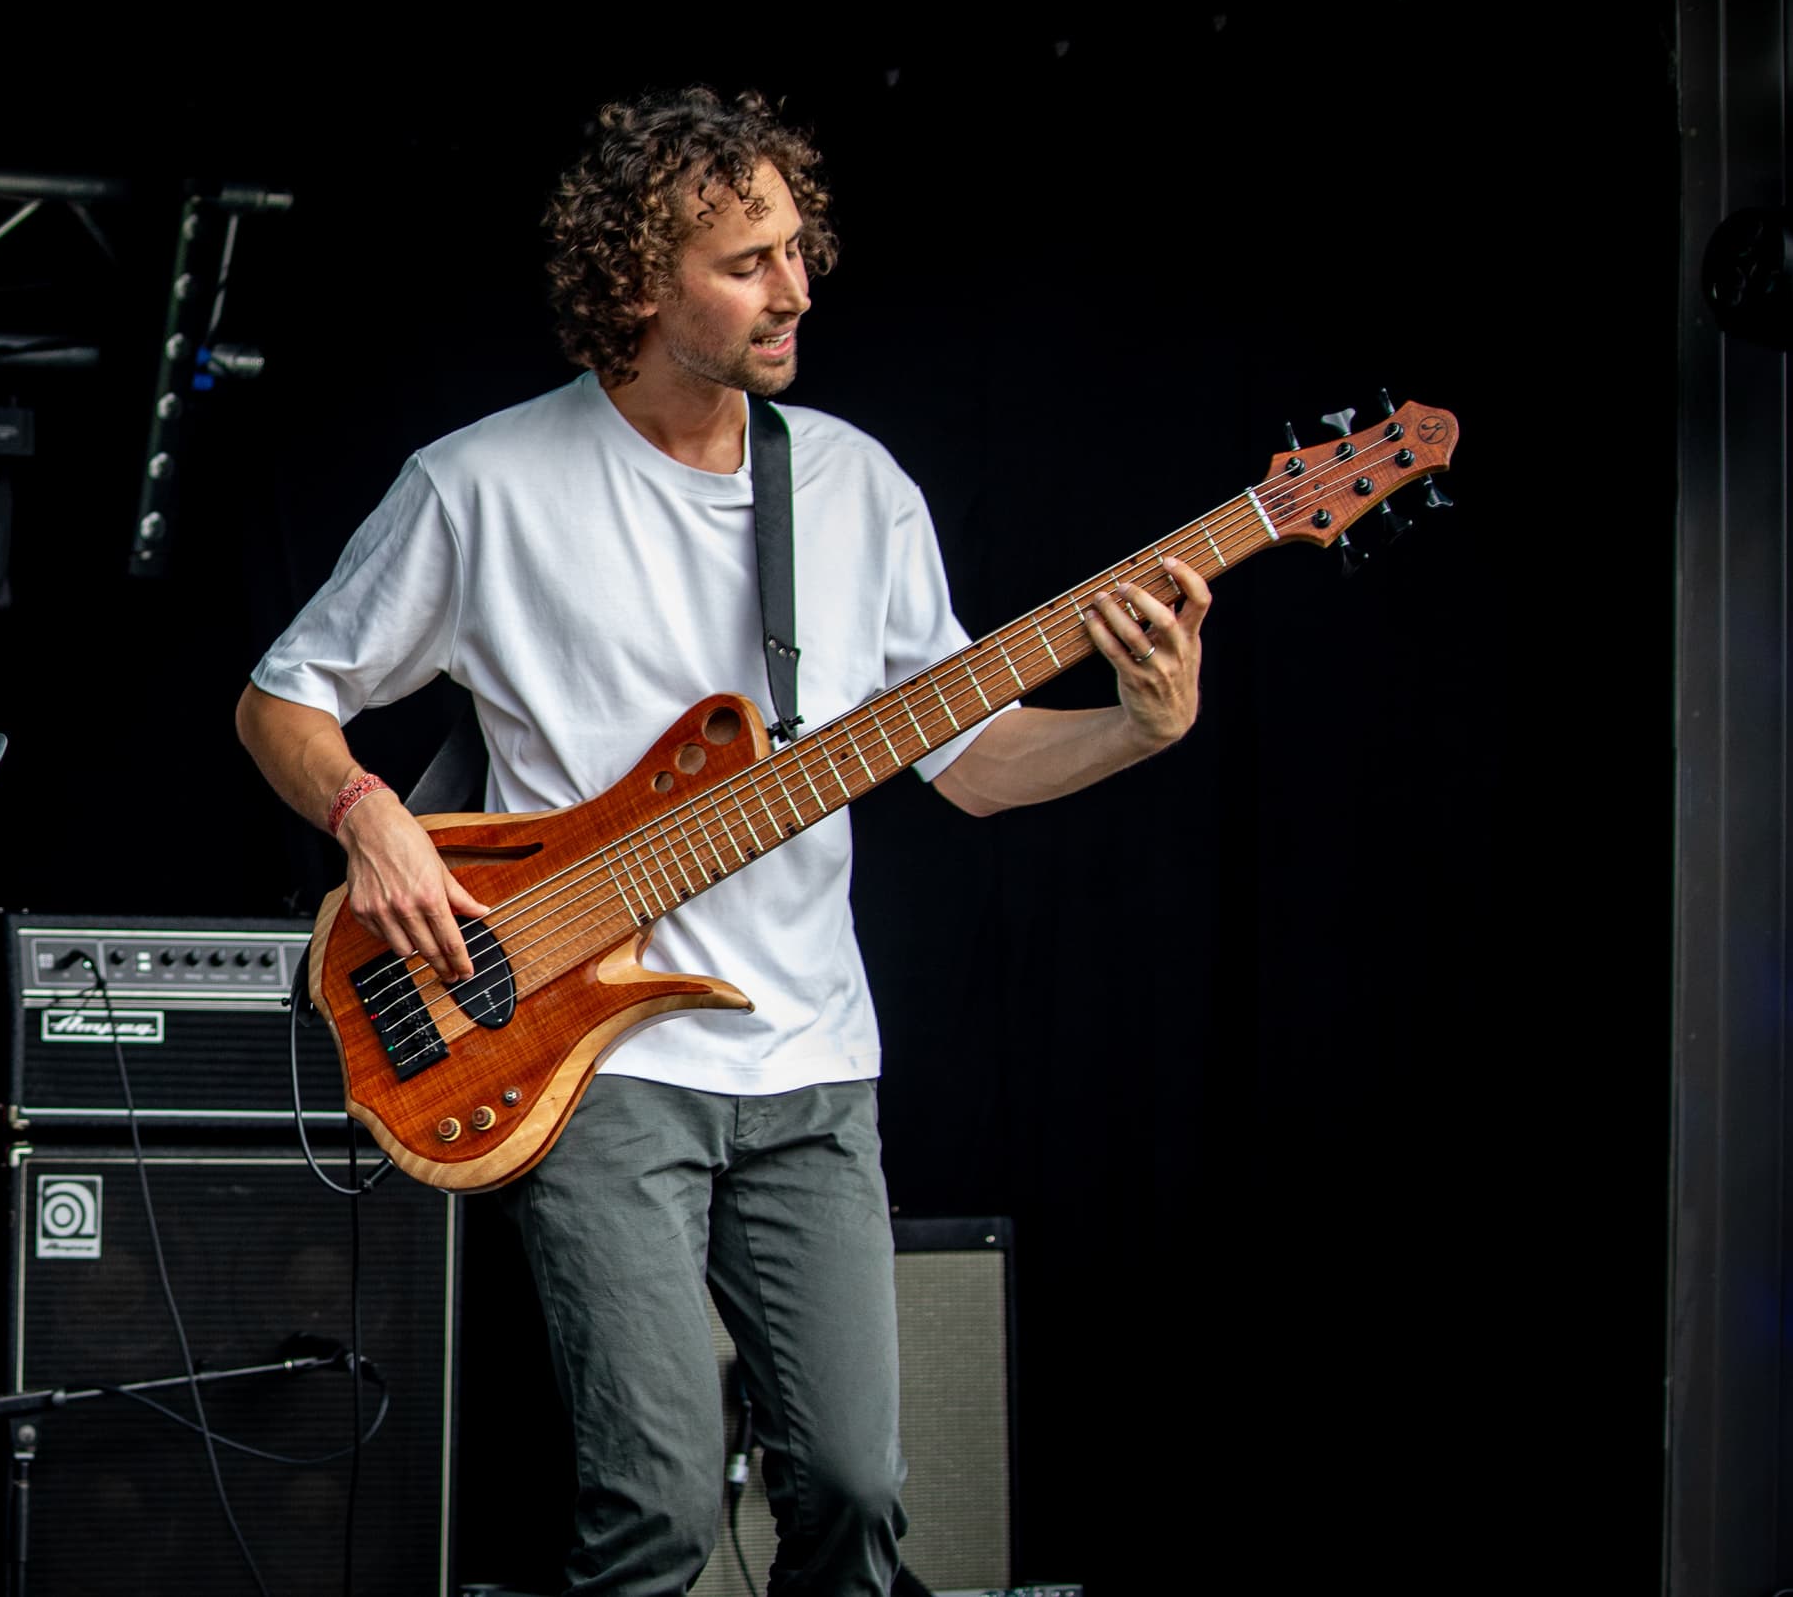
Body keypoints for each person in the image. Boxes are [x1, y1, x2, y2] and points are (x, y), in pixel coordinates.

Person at [233, 88, 1208, 1597]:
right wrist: (371, 821)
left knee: (856, 1491)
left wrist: (1135, 730)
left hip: (810, 1059)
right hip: (591, 1057)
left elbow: (963, 760)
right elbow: (282, 698)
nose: (797, 287)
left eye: (798, 248)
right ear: (638, 282)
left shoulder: (854, 488)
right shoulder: (483, 486)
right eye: (750, 262)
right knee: (659, 1512)